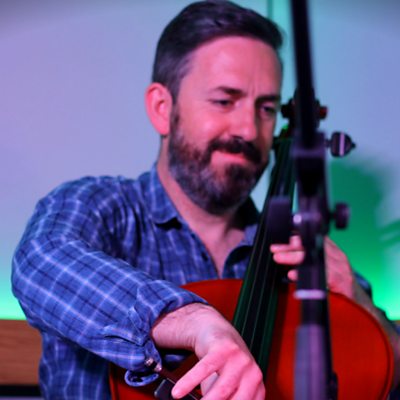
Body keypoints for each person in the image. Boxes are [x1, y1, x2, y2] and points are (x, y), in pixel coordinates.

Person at [12, 1, 400, 399]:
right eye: (224, 101)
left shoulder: (295, 250)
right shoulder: (100, 206)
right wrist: (191, 320)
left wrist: (360, 308)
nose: (248, 129)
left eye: (266, 108)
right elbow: (40, 261)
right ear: (162, 109)